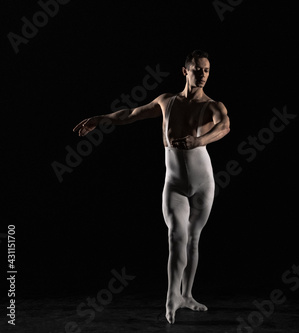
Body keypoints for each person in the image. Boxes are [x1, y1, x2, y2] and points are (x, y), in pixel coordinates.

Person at [73, 50, 230, 324]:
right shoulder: (166, 101)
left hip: (204, 183)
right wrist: (101, 118)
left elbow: (225, 126)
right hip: (175, 184)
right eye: (197, 69)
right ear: (185, 71)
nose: (202, 75)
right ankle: (172, 297)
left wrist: (199, 140)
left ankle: (188, 295)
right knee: (176, 238)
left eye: (206, 70)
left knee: (194, 239)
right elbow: (131, 114)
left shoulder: (213, 105)